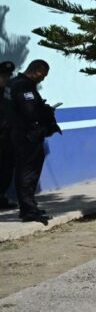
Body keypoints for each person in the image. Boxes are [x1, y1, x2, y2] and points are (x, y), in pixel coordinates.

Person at [9, 59, 61, 224]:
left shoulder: (19, 84)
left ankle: (30, 207)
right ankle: (28, 211)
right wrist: (46, 112)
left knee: (28, 173)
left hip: (24, 135)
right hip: (26, 137)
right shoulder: (23, 86)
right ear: (36, 69)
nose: (43, 79)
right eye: (43, 75)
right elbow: (30, 112)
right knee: (27, 173)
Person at [0, 60, 16, 209]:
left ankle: (2, 197)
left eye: (8, 76)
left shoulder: (8, 94)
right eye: (3, 76)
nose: (6, 79)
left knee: (6, 169)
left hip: (7, 137)